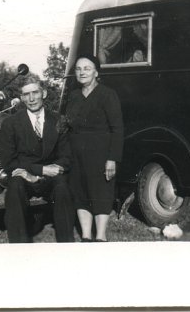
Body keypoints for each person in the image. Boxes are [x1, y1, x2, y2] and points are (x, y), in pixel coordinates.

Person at [0, 77, 75, 243]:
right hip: (24, 176)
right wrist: (37, 171)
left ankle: (67, 246)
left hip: (51, 178)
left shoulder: (58, 120)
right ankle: (19, 247)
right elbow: (8, 161)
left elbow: (67, 156)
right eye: (26, 94)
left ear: (44, 93)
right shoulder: (10, 123)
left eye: (35, 92)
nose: (31, 99)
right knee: (14, 187)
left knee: (63, 187)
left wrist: (52, 170)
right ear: (22, 98)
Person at [65, 54, 124, 241]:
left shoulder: (108, 94)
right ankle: (85, 236)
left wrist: (112, 158)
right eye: (78, 69)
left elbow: (117, 128)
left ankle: (100, 236)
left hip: (101, 155)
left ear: (96, 72)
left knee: (101, 194)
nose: (82, 72)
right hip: (76, 155)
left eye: (87, 68)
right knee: (80, 192)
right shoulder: (73, 96)